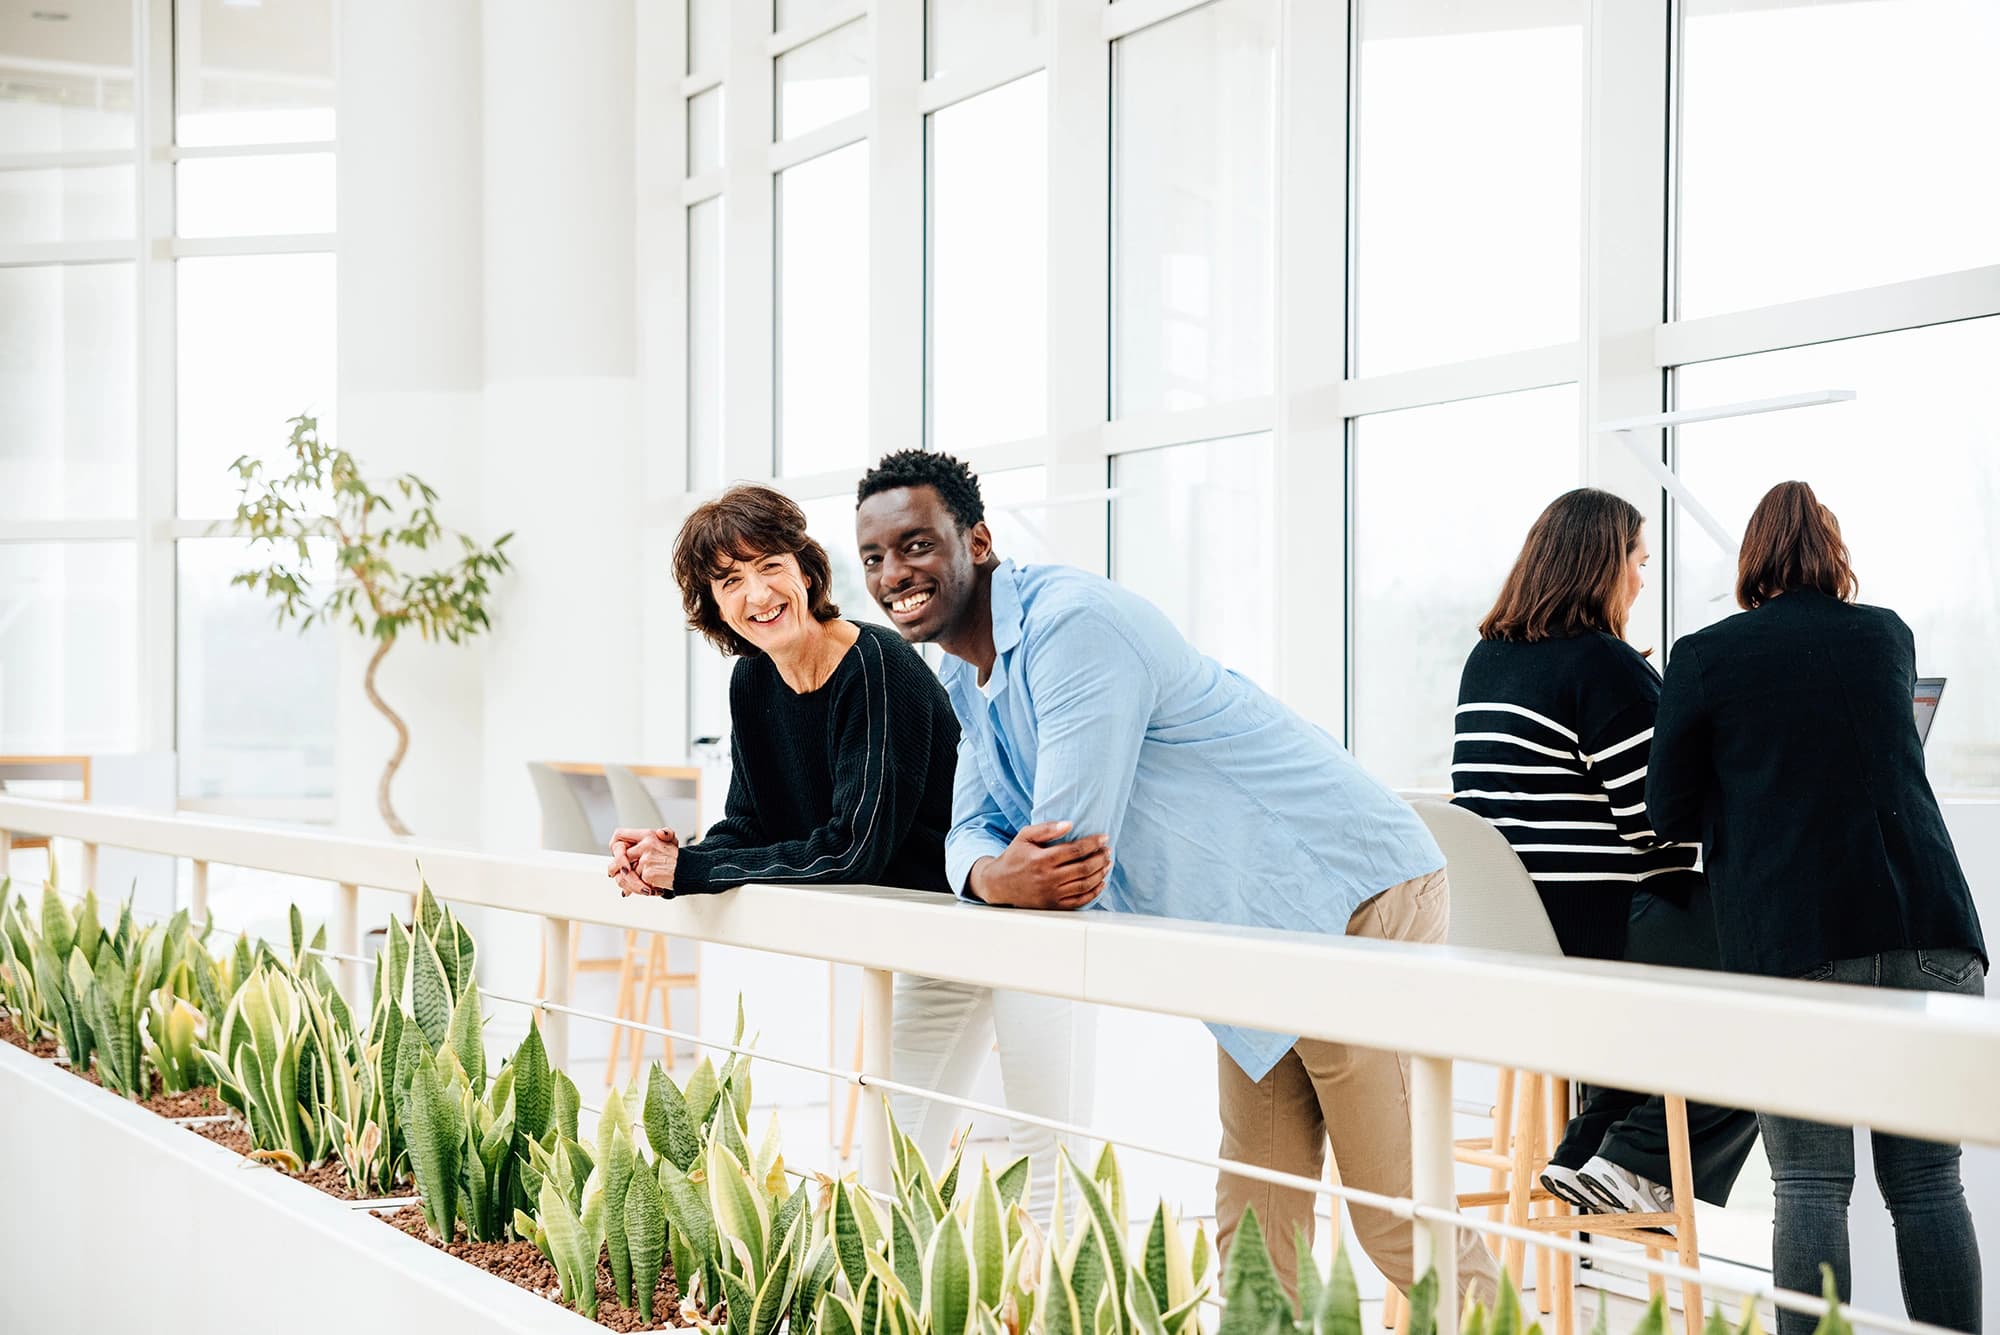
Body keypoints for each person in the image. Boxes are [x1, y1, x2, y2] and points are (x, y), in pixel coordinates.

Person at [852, 449, 1499, 1306]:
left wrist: (1007, 868)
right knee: (1256, 1227)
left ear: (976, 539)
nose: (895, 573)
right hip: (1251, 936)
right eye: (874, 557)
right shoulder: (967, 673)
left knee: (1392, 1217)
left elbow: (1069, 852)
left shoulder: (1073, 626)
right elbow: (967, 831)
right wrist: (988, 875)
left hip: (1347, 895)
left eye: (916, 544)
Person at [608, 484, 1091, 1216]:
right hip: (932, 931)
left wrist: (696, 869)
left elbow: (853, 848)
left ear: (806, 569)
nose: (757, 593)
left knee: (1046, 1158)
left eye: (768, 564)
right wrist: (671, 857)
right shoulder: (753, 681)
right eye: (729, 580)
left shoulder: (875, 664)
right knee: (893, 1162)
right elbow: (752, 824)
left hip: (1015, 917)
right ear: (712, 605)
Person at [1648, 480, 1987, 1335]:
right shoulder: (1887, 637)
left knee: (1807, 1181)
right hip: (1933, 930)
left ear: (1752, 560)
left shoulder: (1705, 656)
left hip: (1803, 942)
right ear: (1835, 558)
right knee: (1928, 1181)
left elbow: (1665, 812)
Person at [1451, 488, 1757, 1217]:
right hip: (1598, 929)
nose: (1642, 580)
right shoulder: (1602, 666)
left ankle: (1585, 1156)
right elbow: (1657, 827)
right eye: (1638, 560)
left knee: (1688, 986)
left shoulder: (1486, 660)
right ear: (1602, 563)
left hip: (1514, 939)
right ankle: (1636, 1161)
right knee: (1783, 970)